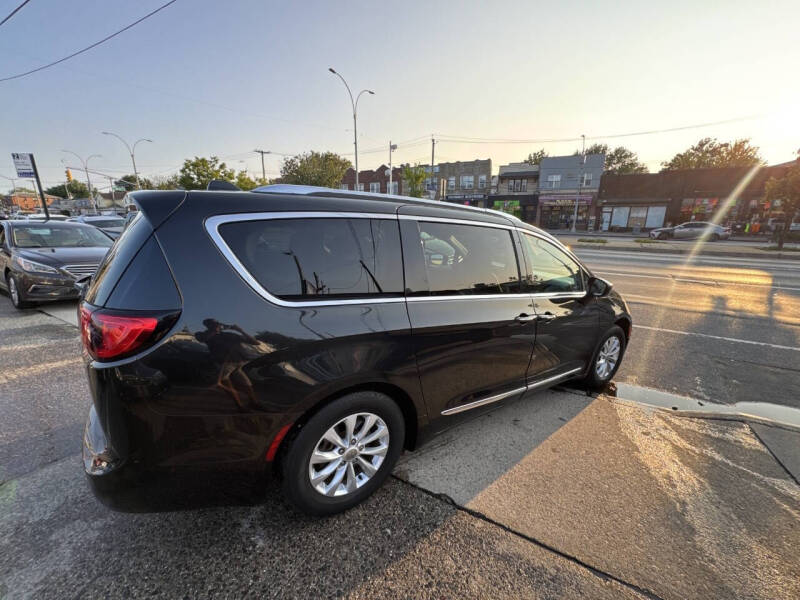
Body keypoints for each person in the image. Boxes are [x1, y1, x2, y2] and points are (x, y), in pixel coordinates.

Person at [195, 319, 261, 410]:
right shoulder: (202, 334)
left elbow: (255, 342)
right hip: (224, 364)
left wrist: (240, 330)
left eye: (217, 324)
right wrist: (215, 331)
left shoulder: (229, 334)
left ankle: (254, 403)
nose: (217, 326)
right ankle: (240, 406)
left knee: (247, 384)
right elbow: (203, 339)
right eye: (213, 324)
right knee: (227, 385)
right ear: (207, 326)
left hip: (238, 364)